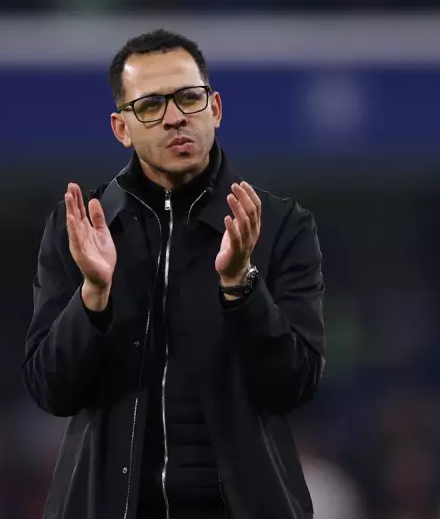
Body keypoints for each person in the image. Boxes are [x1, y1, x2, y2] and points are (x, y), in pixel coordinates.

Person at [22, 29, 326, 519]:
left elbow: (295, 385)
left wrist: (241, 286)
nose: (174, 117)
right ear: (122, 128)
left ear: (215, 109)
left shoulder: (280, 226)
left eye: (189, 98)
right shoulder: (81, 227)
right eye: (150, 106)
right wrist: (93, 295)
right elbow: (50, 390)